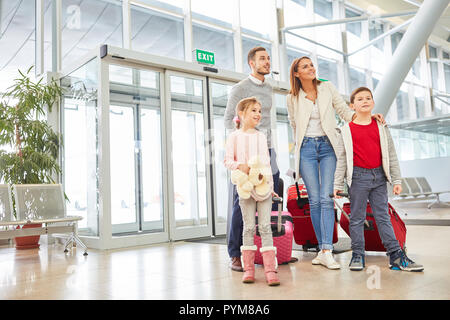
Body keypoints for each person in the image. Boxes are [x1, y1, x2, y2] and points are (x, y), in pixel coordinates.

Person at [286, 56, 384, 270]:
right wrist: (298, 153)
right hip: (307, 150)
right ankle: (322, 251)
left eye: (311, 64)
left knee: (326, 197)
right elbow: (294, 126)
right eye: (305, 66)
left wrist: (366, 115)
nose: (311, 68)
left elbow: (345, 112)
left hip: (329, 146)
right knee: (314, 201)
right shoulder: (292, 98)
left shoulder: (327, 87)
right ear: (296, 74)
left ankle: (327, 249)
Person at [333, 87, 424, 272]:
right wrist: (336, 184)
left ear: (373, 103)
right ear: (352, 106)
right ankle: (358, 255)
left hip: (379, 177)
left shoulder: (381, 126)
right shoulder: (346, 130)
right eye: (360, 99)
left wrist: (397, 180)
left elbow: (391, 155)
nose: (365, 101)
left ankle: (396, 257)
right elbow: (342, 158)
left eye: (368, 98)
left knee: (383, 217)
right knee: (357, 218)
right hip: (357, 178)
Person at [224, 47, 287, 272]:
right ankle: (235, 254)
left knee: (269, 196)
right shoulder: (240, 88)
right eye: (262, 59)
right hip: (246, 154)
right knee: (240, 203)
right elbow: (228, 119)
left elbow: (267, 121)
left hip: (267, 150)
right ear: (251, 63)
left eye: (268, 58)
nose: (267, 62)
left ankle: (265, 251)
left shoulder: (269, 88)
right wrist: (242, 143)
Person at [224, 97, 280, 286]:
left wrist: (271, 187)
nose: (258, 114)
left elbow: (267, 163)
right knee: (248, 227)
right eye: (253, 111)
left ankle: (270, 270)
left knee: (264, 227)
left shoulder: (261, 136)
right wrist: (241, 166)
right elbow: (227, 161)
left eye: (259, 111)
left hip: (263, 187)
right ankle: (248, 270)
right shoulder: (234, 137)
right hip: (245, 188)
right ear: (241, 113)